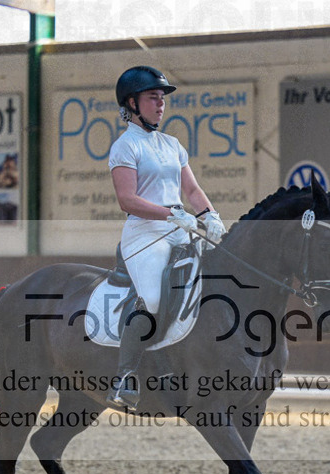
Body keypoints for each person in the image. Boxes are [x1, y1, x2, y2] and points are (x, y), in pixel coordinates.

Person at [105, 65, 226, 411]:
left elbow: (191, 188)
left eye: (162, 99)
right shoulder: (125, 147)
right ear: (132, 103)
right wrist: (169, 213)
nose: (160, 105)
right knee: (154, 297)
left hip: (180, 228)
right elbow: (127, 199)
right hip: (144, 234)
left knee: (207, 282)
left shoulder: (171, 144)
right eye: (152, 98)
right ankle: (125, 376)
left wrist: (210, 215)